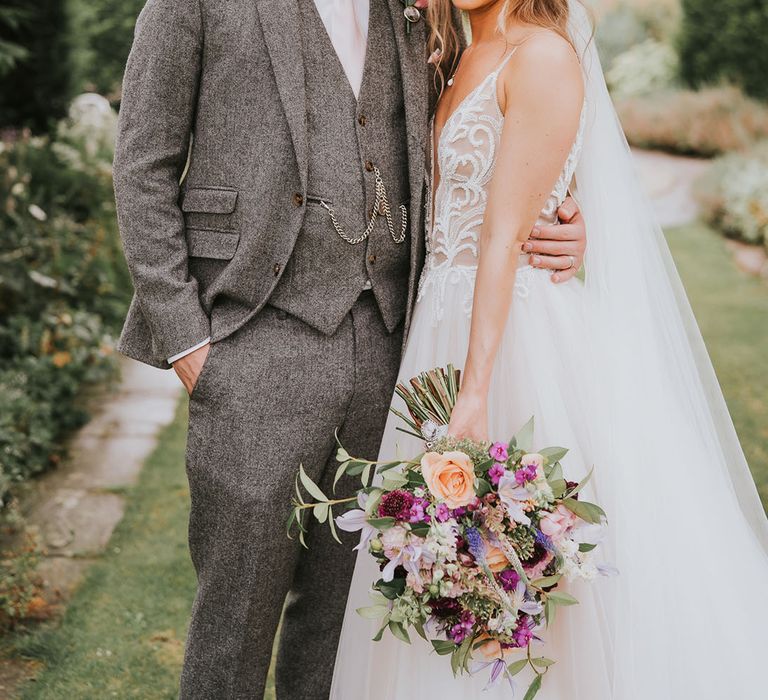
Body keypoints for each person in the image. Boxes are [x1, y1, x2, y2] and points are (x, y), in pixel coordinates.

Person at [111, 0, 586, 697]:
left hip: (394, 354)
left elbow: (490, 147)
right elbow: (142, 165)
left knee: (348, 630)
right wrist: (188, 342)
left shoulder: (419, 10)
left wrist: (564, 223)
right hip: (250, 344)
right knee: (235, 617)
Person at [330, 1, 768, 698]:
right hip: (435, 330)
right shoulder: (445, 54)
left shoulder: (541, 56)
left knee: (531, 561)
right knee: (445, 562)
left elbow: (503, 237)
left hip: (515, 344)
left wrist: (474, 397)